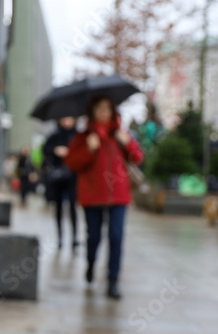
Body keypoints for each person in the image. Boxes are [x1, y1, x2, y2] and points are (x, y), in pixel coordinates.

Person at [64, 95, 144, 299]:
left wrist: (128, 144)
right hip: (93, 195)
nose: (103, 112)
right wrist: (89, 149)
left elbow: (137, 158)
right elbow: (72, 164)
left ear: (113, 111)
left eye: (107, 108)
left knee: (116, 237)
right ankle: (91, 263)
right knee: (94, 237)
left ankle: (113, 280)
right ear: (92, 112)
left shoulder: (119, 135)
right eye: (99, 108)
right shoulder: (83, 138)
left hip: (119, 196)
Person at [43, 117, 78, 250]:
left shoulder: (77, 135)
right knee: (58, 207)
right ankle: (60, 238)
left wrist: (70, 153)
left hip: (73, 176)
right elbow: (45, 150)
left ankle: (74, 238)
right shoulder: (54, 135)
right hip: (58, 177)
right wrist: (55, 150)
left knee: (73, 207)